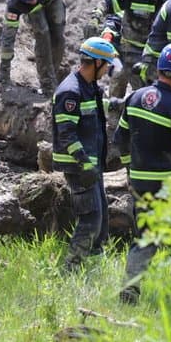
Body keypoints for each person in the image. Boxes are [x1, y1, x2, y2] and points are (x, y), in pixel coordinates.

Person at [117, 43, 171, 304]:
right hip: (169, 187)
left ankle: (129, 291)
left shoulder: (136, 97)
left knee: (144, 237)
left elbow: (120, 138)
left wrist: (130, 169)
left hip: (140, 182)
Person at [52, 37, 119, 270]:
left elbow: (98, 110)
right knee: (90, 220)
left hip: (92, 164)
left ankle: (93, 270)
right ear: (96, 63)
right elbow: (66, 134)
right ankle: (70, 269)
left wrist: (122, 103)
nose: (108, 70)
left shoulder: (89, 87)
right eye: (107, 65)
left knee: (102, 222)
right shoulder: (70, 92)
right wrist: (83, 164)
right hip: (80, 166)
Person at [85, 0, 171, 102]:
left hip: (153, 53)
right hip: (127, 49)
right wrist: (96, 16)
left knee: (148, 91)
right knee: (118, 78)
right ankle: (113, 118)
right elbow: (108, 3)